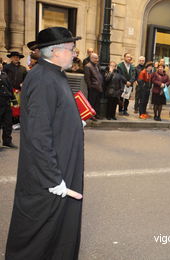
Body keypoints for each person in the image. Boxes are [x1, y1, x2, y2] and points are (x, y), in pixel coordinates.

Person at [5, 26, 84, 260]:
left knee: (57, 229)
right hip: (49, 173)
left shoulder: (55, 73)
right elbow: (37, 135)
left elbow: (52, 114)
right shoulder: (42, 78)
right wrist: (52, 179)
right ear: (55, 51)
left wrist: (71, 121)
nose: (74, 54)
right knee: (39, 231)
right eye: (71, 49)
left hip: (61, 162)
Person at [0, 62, 18, 148]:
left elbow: (10, 88)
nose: (0, 65)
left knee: (8, 123)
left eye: (0, 64)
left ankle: (7, 141)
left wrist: (14, 100)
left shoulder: (4, 75)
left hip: (6, 102)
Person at [84, 53, 103, 120]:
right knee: (92, 102)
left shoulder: (97, 65)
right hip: (93, 88)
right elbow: (87, 78)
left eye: (97, 58)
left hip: (98, 87)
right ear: (91, 58)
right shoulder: (88, 66)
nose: (97, 60)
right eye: (95, 58)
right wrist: (90, 87)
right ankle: (91, 115)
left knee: (97, 102)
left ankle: (96, 114)